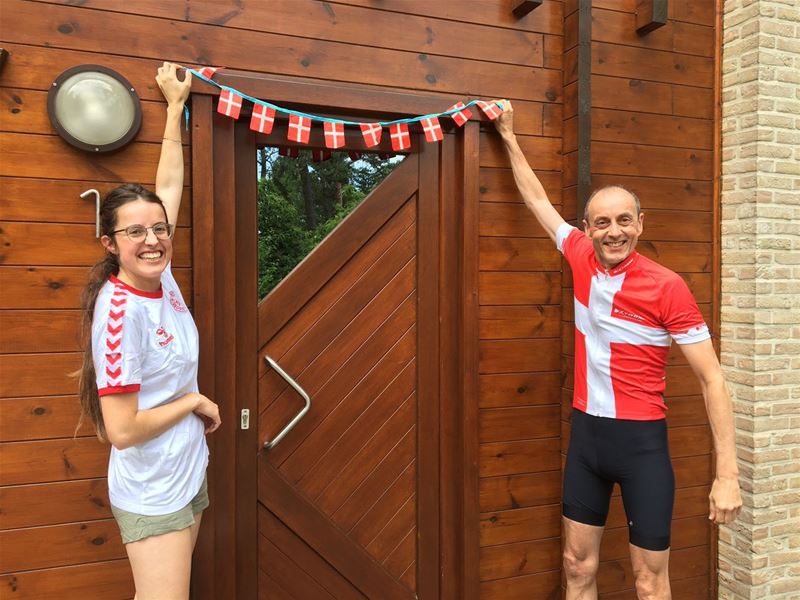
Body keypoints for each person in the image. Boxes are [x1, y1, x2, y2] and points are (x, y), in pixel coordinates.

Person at [492, 100, 741, 599]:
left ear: (640, 224)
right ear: (587, 229)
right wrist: (507, 134)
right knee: (576, 569)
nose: (614, 232)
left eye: (623, 220)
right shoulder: (580, 256)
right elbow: (539, 202)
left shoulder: (667, 287)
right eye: (602, 222)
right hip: (587, 440)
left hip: (642, 446)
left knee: (650, 584)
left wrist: (727, 475)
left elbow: (713, 378)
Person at [76, 63, 220, 600]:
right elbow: (123, 430)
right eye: (135, 231)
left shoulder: (163, 280)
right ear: (110, 244)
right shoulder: (120, 313)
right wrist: (194, 403)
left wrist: (176, 108)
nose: (153, 239)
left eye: (158, 228)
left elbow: (167, 186)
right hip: (151, 489)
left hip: (187, 471)